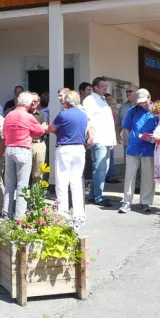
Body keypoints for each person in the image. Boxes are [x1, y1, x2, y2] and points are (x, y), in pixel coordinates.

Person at [2, 92, 47, 218]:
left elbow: (4, 133)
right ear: (27, 104)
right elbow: (40, 131)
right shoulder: (28, 116)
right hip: (23, 149)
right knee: (22, 184)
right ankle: (19, 215)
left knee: (9, 184)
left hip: (9, 149)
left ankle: (6, 213)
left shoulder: (9, 115)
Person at [48, 91, 89, 228]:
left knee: (62, 180)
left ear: (66, 101)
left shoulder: (63, 114)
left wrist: (57, 131)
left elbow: (51, 128)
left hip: (65, 148)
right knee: (76, 181)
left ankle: (63, 212)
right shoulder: (83, 114)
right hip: (79, 148)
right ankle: (79, 213)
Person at [119, 89, 157, 214]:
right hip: (133, 147)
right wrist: (134, 138)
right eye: (140, 102)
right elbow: (127, 128)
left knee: (148, 177)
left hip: (149, 148)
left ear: (149, 97)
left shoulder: (156, 111)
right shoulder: (133, 110)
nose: (142, 104)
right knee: (129, 176)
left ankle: (146, 202)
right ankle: (127, 201)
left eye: (144, 102)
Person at [82, 77, 116, 207]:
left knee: (104, 168)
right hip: (99, 139)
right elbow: (87, 120)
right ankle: (98, 197)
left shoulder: (102, 100)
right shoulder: (90, 100)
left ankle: (93, 194)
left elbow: (107, 121)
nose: (105, 88)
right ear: (95, 87)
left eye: (106, 86)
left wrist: (112, 140)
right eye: (103, 86)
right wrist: (91, 137)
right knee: (100, 169)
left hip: (106, 139)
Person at [29, 93, 49, 185]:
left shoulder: (42, 114)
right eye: (31, 101)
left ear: (38, 102)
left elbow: (45, 129)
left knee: (38, 172)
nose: (33, 103)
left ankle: (36, 193)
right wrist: (38, 128)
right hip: (27, 144)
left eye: (35, 101)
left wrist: (32, 129)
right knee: (25, 172)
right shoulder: (24, 114)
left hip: (39, 144)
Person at [104, 93, 119, 184]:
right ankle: (107, 176)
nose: (110, 102)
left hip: (111, 136)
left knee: (111, 157)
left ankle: (111, 175)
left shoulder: (111, 110)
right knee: (106, 157)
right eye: (108, 100)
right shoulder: (103, 110)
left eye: (111, 100)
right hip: (105, 136)